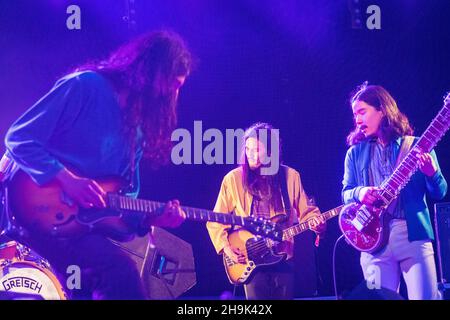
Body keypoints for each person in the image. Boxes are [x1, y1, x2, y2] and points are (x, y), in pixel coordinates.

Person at [1, 30, 193, 299]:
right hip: (34, 211)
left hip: (78, 228)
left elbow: (122, 200)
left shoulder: (136, 128)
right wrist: (68, 180)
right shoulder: (85, 86)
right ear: (149, 73)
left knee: (122, 276)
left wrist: (151, 218)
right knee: (116, 273)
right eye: (169, 86)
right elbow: (19, 137)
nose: (171, 97)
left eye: (177, 89)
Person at [342, 82, 448, 300]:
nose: (357, 120)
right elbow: (346, 192)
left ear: (382, 109)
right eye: (355, 115)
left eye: (362, 112)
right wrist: (360, 192)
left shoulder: (418, 145)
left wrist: (431, 173)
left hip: (412, 235)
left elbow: (440, 192)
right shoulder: (354, 153)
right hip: (372, 239)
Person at [206, 122, 326, 300]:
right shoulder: (233, 179)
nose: (250, 155)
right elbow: (216, 220)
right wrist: (226, 248)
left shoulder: (290, 176)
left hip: (283, 256)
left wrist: (317, 225)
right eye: (248, 149)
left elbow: (307, 212)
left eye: (256, 150)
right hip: (251, 261)